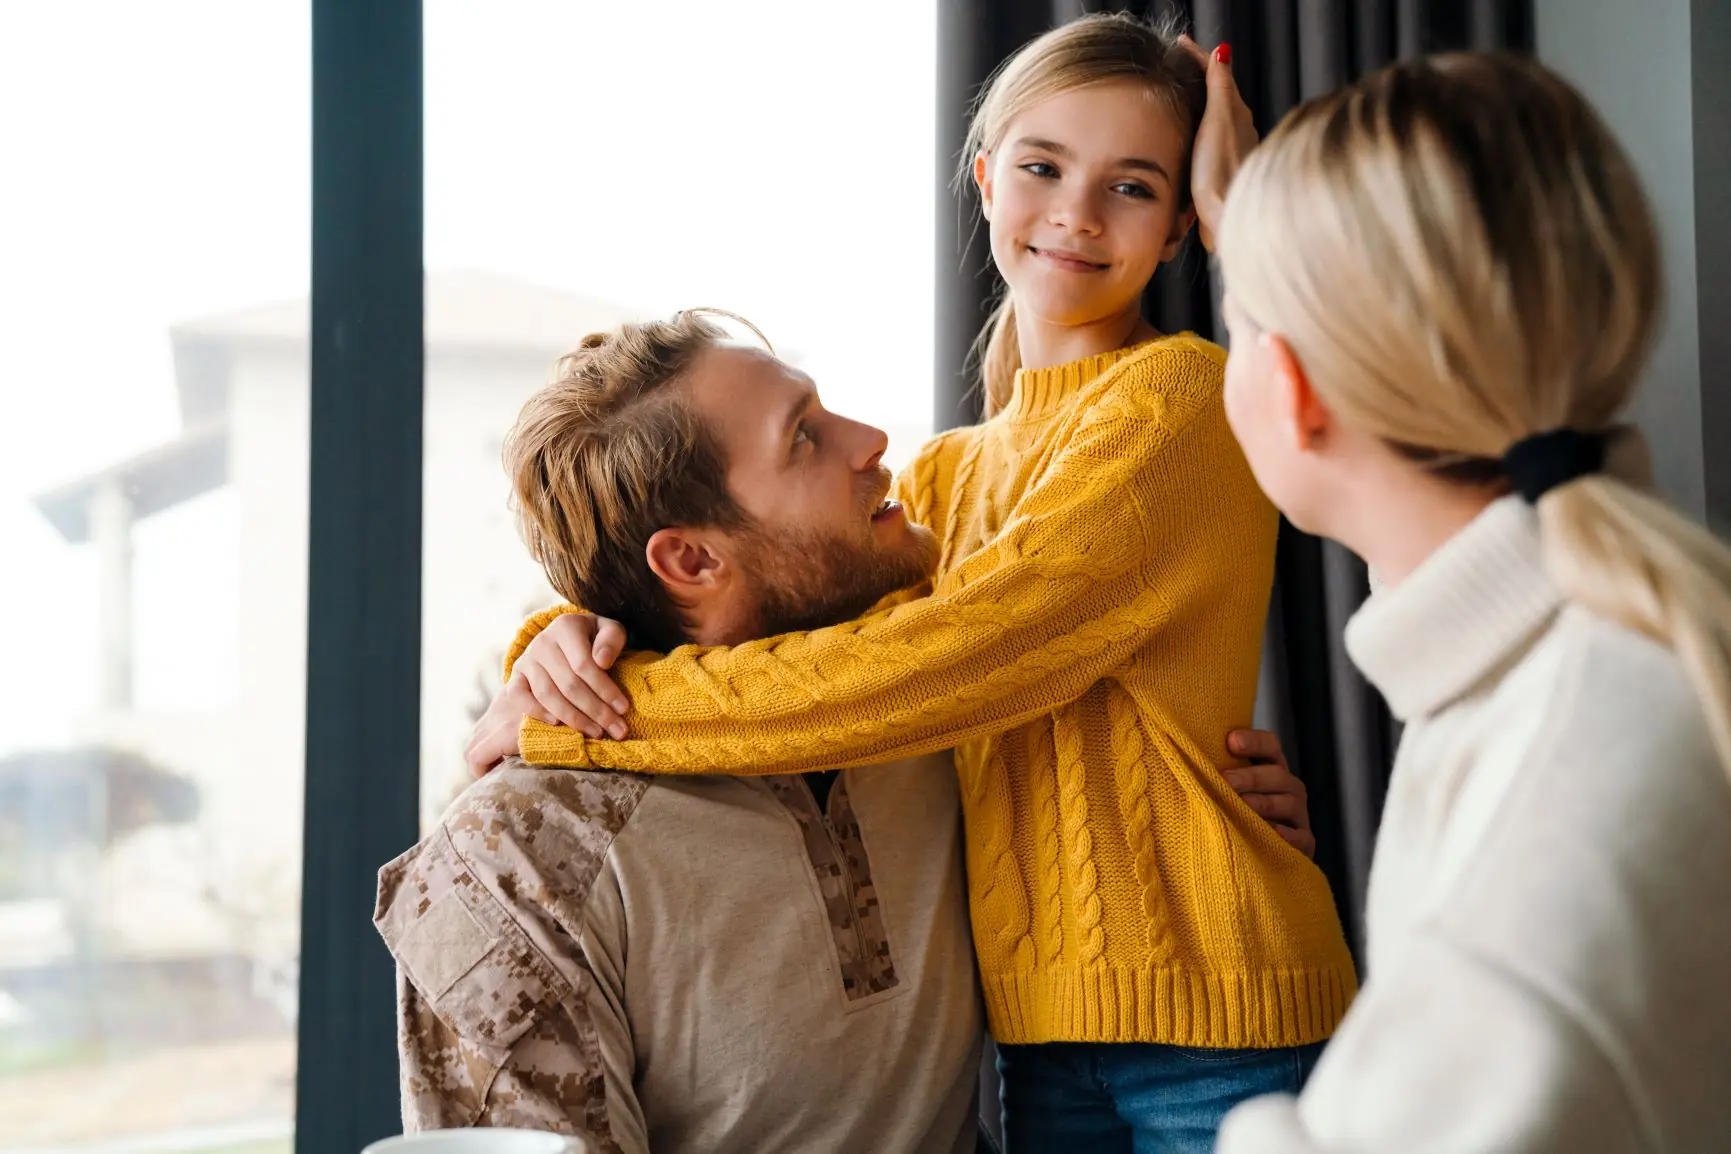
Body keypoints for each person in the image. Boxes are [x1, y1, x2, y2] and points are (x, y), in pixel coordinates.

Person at [467, 14, 1356, 1152]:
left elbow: (937, 664)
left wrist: (597, 719)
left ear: (1185, 223)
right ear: (986, 177)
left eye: (1132, 187)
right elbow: (786, 645)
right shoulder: (941, 475)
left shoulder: (1177, 402)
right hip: (1030, 1043)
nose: (1077, 213)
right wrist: (569, 639)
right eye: (1043, 167)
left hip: (1226, 1028)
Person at [379, 312, 1314, 1152]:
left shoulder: (932, 694)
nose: (871, 443)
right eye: (805, 441)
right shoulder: (514, 860)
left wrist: (1200, 812)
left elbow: (1022, 695)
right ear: (692, 558)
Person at [1210, 53, 1731, 1151]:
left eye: (1237, 326)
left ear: (1294, 391)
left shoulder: (1534, 860)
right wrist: (1258, 233)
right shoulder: (1620, 632)